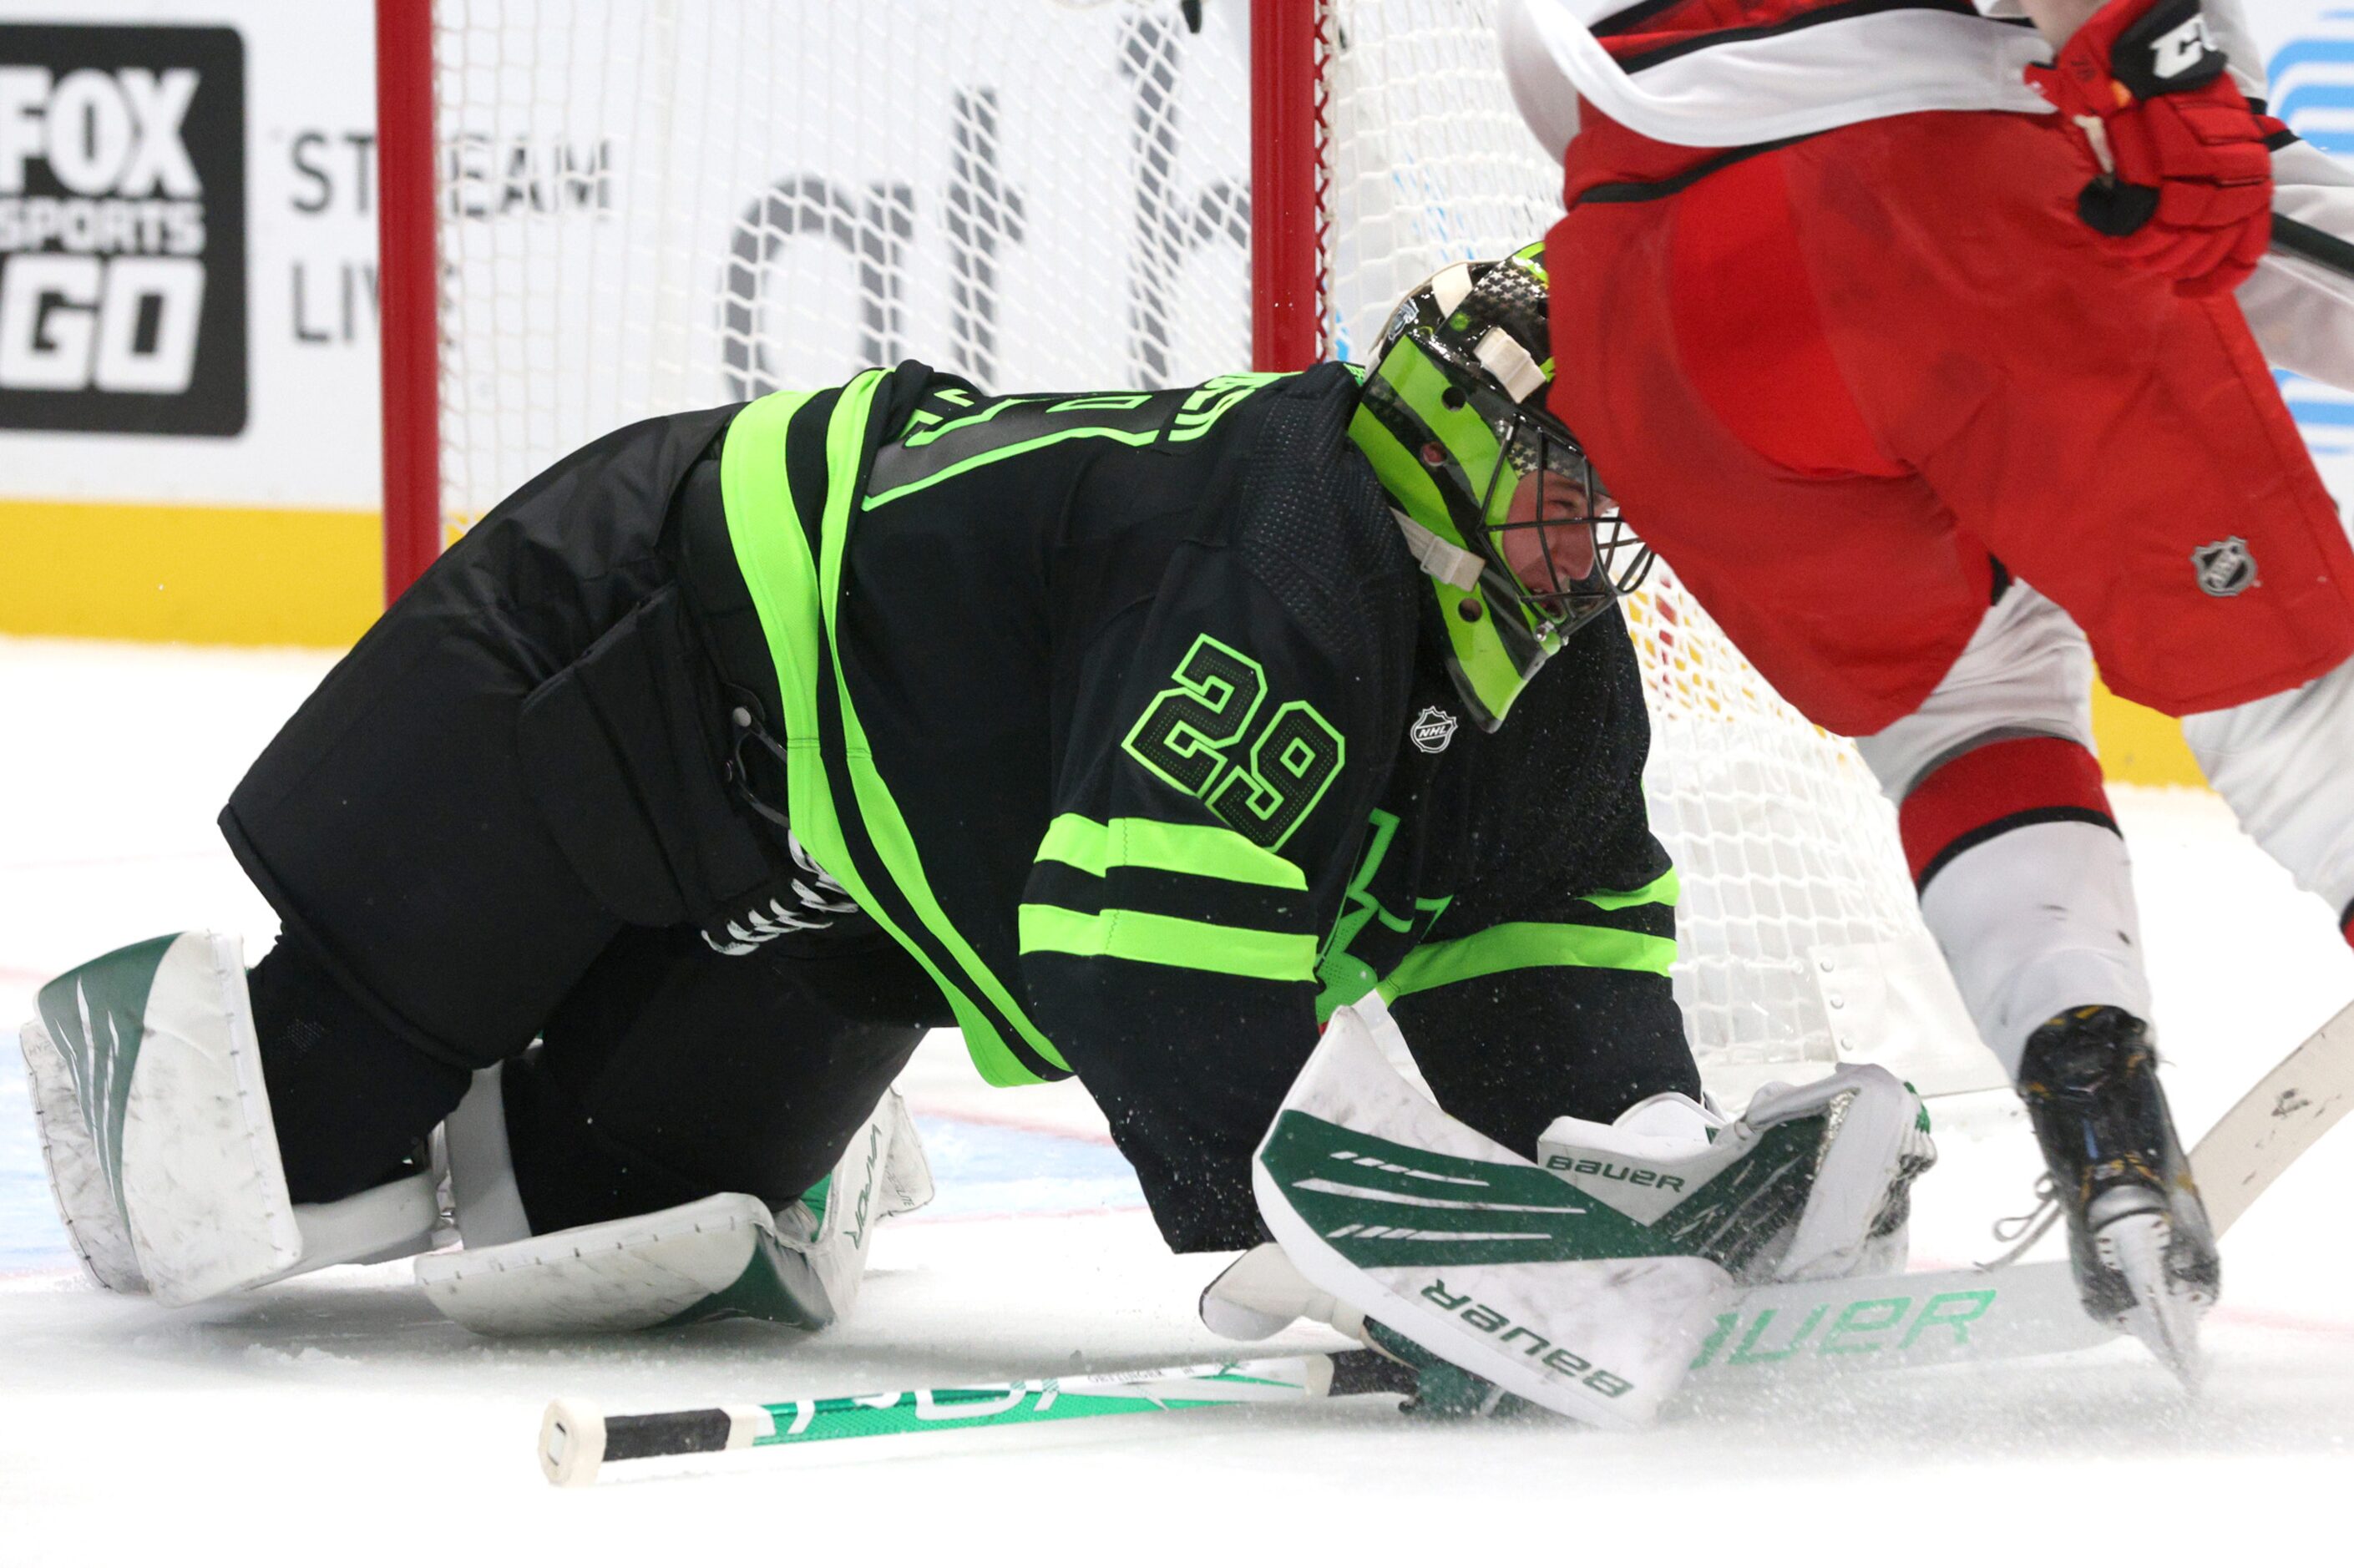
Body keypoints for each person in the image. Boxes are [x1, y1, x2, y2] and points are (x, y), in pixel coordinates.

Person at [23, 247, 1922, 1407]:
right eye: (1575, 482)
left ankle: (792, 1130)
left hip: (866, 893)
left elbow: (1548, 938)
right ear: (1446, 428)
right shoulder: (1291, 551)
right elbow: (1144, 962)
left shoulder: (1544, 648)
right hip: (647, 657)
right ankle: (190, 1052)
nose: (1606, 534)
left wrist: (1644, 1162)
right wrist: (1363, 1247)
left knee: (599, 1232)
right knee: (277, 1182)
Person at [1501, 0, 2354, 1372]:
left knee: (1972, 718)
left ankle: (2096, 1094)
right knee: (2285, 686)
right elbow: (2233, 213)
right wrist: (2148, 45)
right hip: (1911, 204)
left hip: (1640, 311)